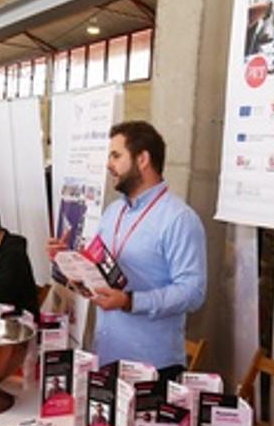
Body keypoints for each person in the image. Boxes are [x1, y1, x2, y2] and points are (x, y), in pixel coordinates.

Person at [49, 121, 206, 374]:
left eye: (116, 155)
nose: (108, 164)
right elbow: (97, 269)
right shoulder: (114, 212)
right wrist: (69, 263)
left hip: (152, 367)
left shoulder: (179, 219)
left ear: (142, 159)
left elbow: (192, 292)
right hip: (107, 354)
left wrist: (130, 301)